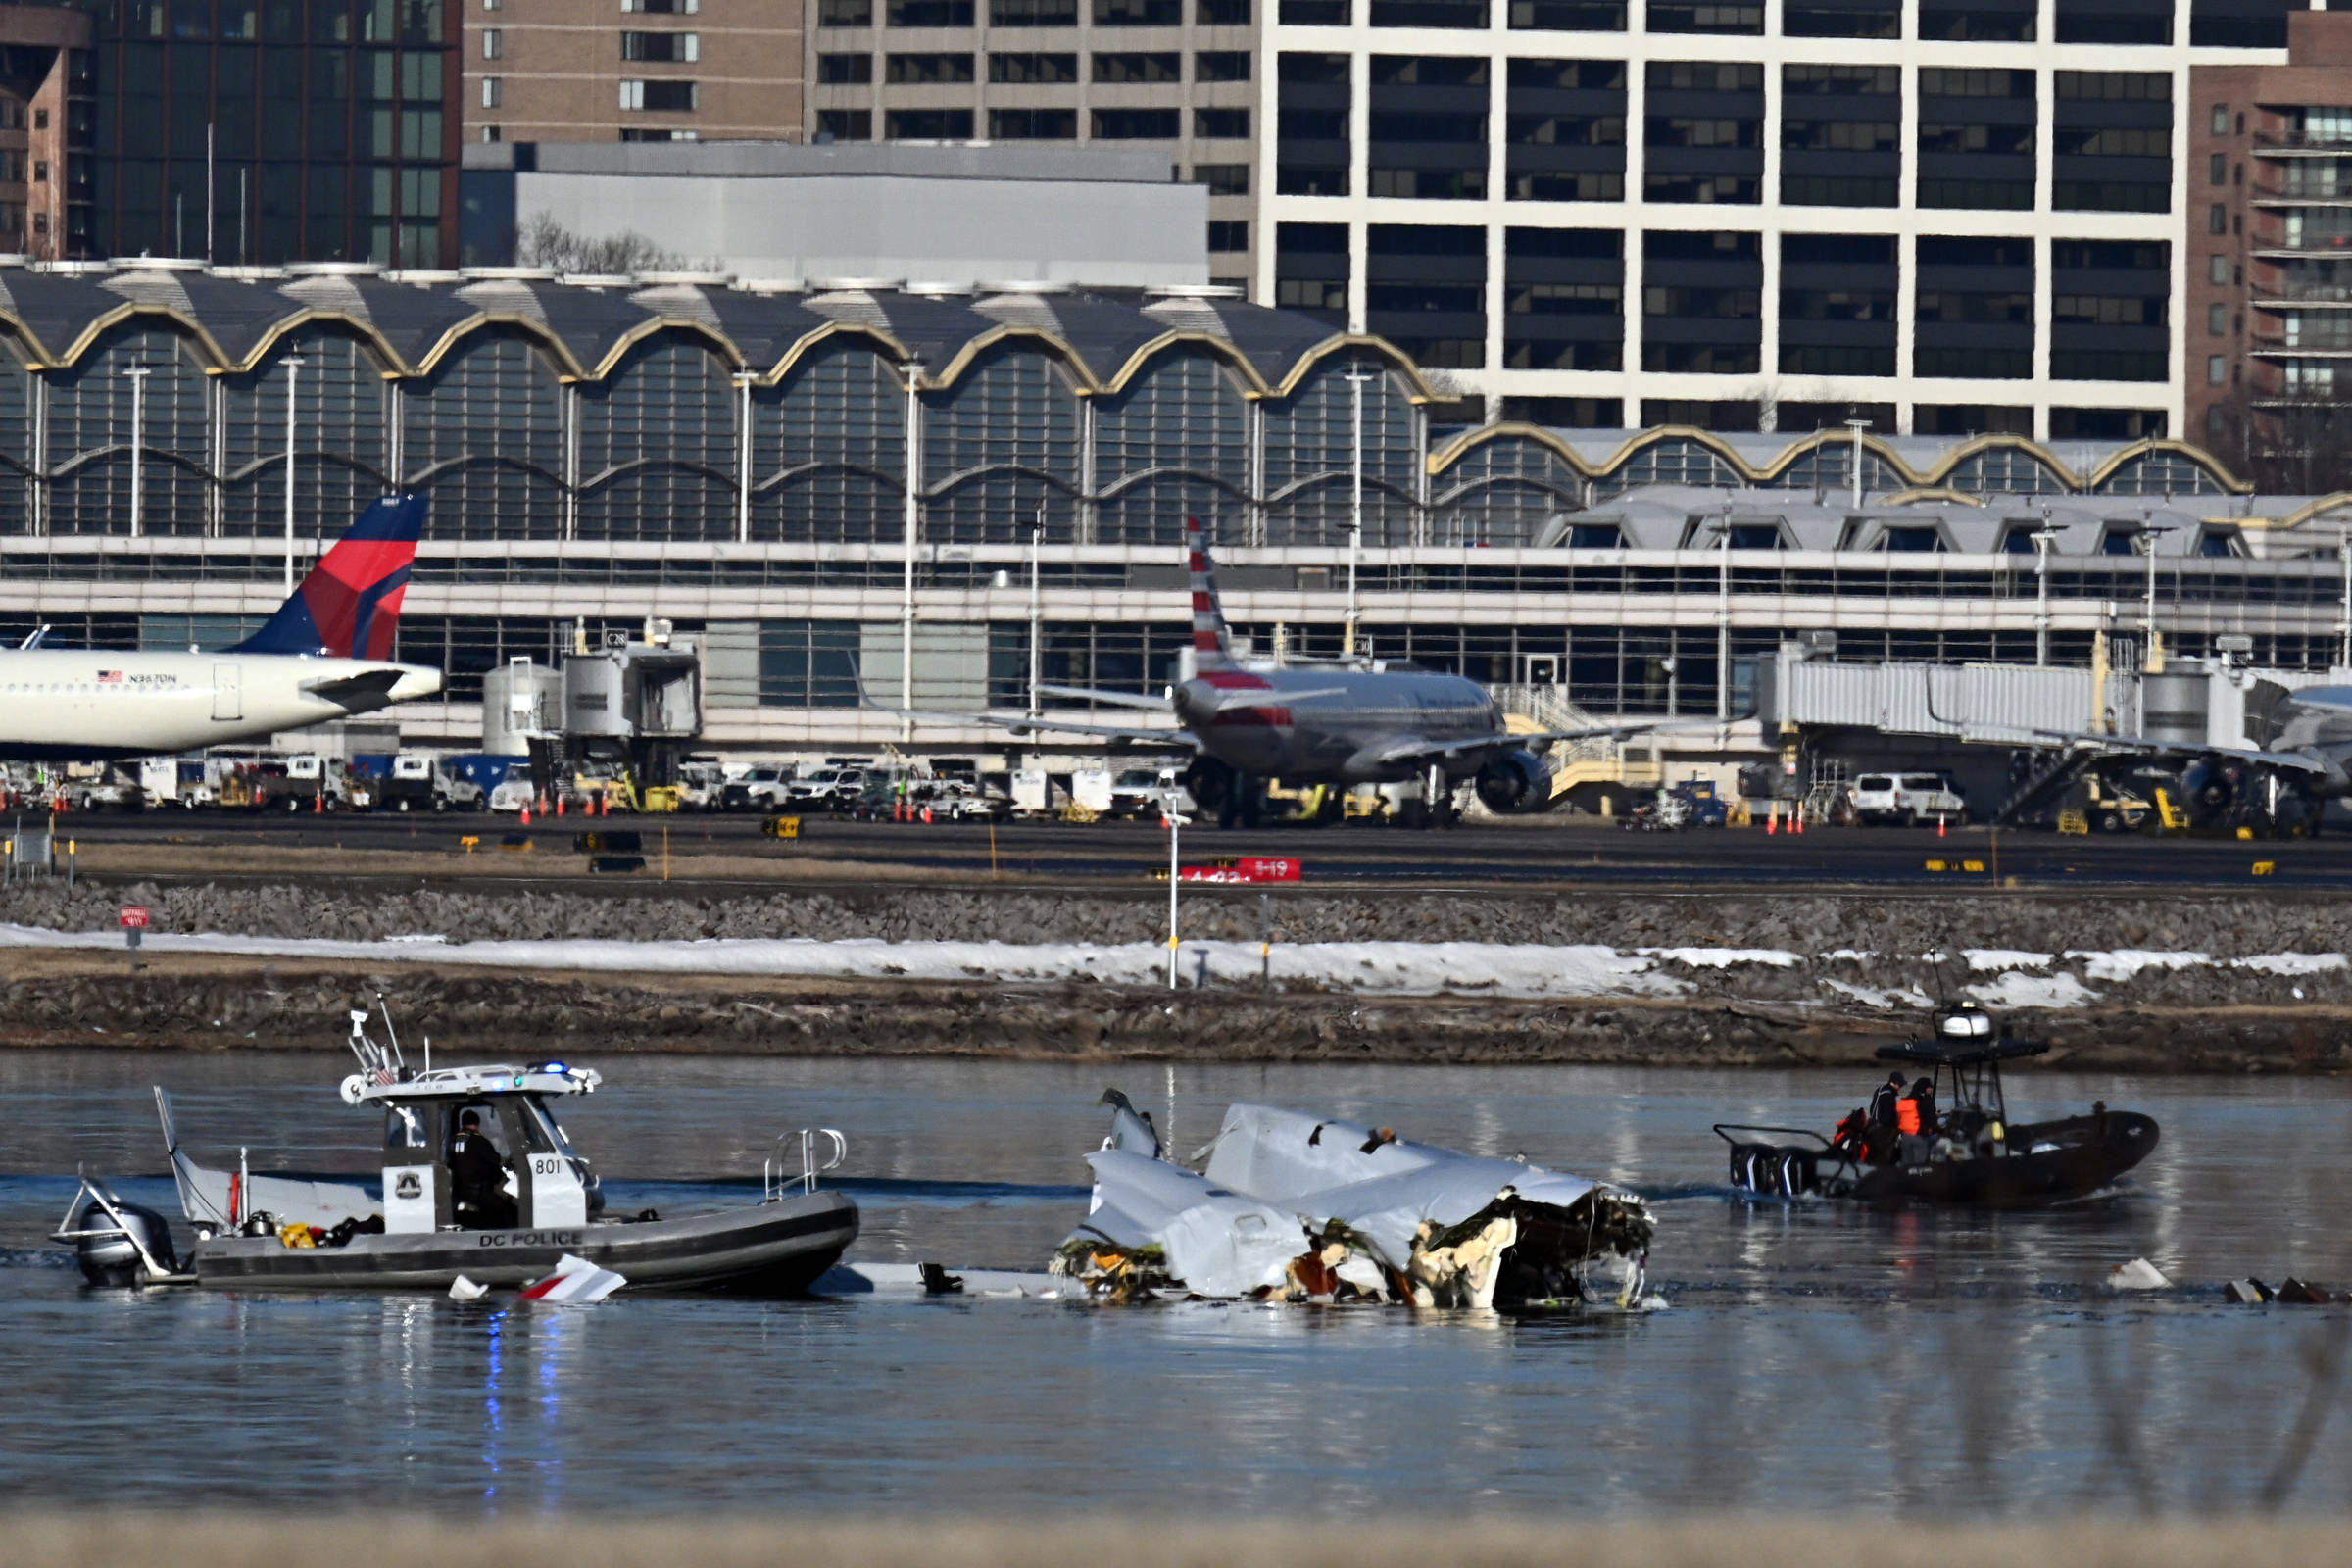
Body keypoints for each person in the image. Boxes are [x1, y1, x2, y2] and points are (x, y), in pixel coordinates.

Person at [449, 1107, 514, 1230]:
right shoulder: (478, 1141)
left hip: (459, 1192)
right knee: (506, 1209)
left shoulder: (452, 1141)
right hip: (478, 1193)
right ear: (477, 1124)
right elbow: (495, 1159)